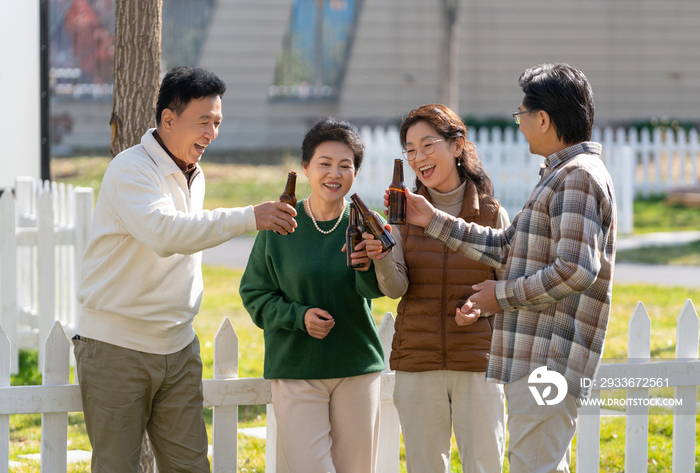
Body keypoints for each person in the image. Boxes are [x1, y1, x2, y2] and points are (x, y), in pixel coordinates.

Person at [391, 64, 616, 473]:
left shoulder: (577, 177)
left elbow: (577, 269)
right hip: (537, 357)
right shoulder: (561, 175)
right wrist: (432, 220)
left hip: (548, 357)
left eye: (522, 115)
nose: (520, 124)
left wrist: (501, 296)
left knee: (534, 465)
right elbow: (506, 247)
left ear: (543, 119)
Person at [74, 66, 297, 472]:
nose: (212, 133)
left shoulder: (195, 175)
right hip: (116, 347)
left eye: (218, 122)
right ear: (168, 119)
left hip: (178, 347)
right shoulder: (131, 169)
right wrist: (249, 216)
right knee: (116, 467)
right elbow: (165, 234)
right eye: (203, 122)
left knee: (191, 466)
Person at [364, 104, 508, 473]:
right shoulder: (402, 215)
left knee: (485, 465)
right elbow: (395, 289)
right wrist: (382, 255)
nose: (418, 158)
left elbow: (512, 288)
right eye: (410, 150)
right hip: (418, 363)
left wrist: (484, 307)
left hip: (478, 364)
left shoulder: (492, 214)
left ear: (457, 146)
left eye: (428, 145)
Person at [240, 117, 385, 473]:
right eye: (324, 164)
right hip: (296, 368)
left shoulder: (366, 222)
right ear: (306, 168)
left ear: (355, 173)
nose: (334, 174)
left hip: (356, 367)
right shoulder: (280, 224)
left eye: (345, 166)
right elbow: (254, 292)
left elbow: (379, 291)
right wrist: (298, 317)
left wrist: (367, 266)